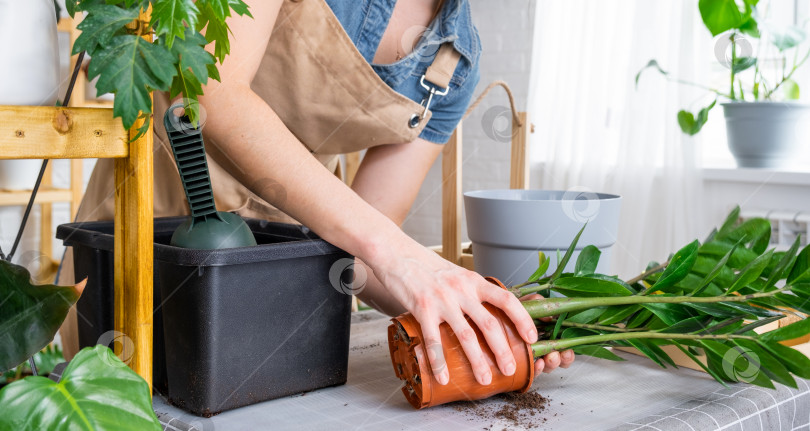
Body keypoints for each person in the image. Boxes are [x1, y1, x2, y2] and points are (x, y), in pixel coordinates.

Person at [60, 0, 574, 387]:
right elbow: (214, 93)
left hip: (276, 294)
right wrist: (398, 251)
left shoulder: (453, 62)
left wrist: (476, 315)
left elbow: (366, 265)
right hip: (149, 222)